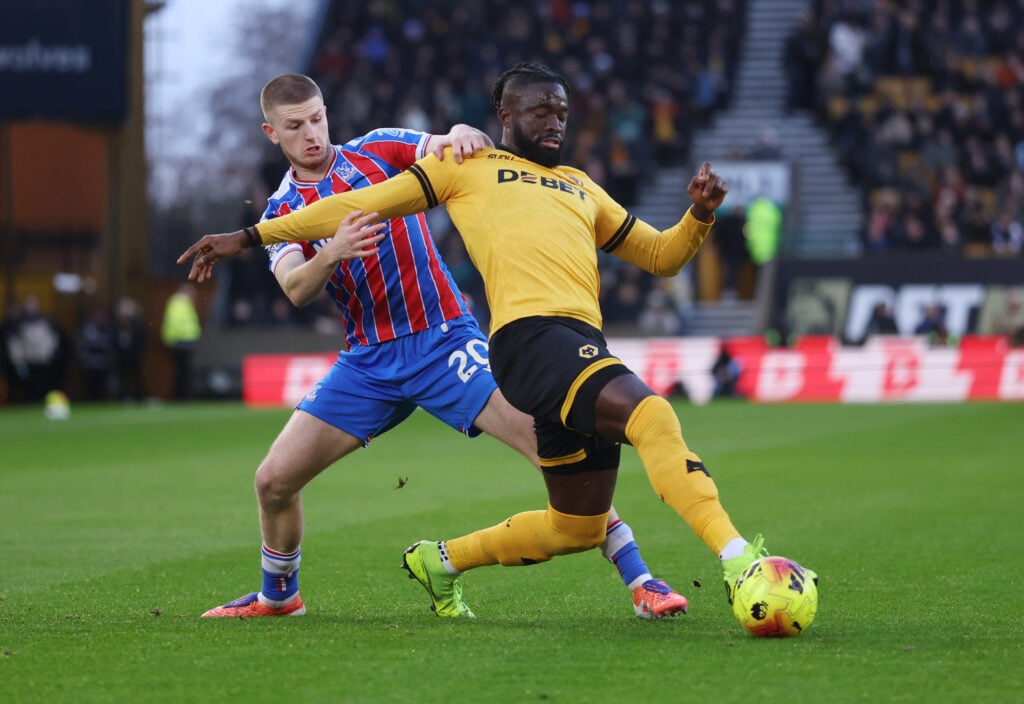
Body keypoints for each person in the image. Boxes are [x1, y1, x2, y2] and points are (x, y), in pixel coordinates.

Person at [180, 64, 813, 619]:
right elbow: (295, 288)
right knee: (272, 481)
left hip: (444, 341)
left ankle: (641, 578)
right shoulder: (281, 209)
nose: (311, 134)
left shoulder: (377, 149)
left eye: (316, 119)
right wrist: (331, 253)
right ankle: (280, 594)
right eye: (295, 127)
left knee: (553, 456)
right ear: (274, 134)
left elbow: (451, 143)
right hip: (368, 362)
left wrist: (461, 134)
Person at [161, 283, 201, 400]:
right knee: (183, 372)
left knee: (181, 372)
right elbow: (179, 324)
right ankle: (181, 396)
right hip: (182, 343)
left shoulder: (176, 302)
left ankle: (180, 395)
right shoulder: (181, 303)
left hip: (179, 342)